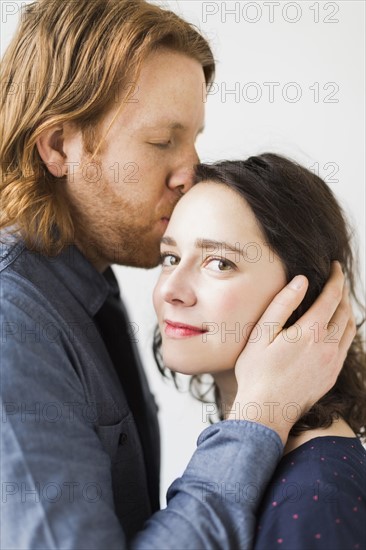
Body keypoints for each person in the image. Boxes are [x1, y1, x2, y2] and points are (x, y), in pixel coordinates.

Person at [0, 1, 355, 548]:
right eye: (163, 142)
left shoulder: (90, 289)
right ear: (56, 147)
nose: (190, 174)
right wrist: (259, 417)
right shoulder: (13, 321)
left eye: (193, 139)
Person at [153, 153, 366, 549]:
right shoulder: (280, 470)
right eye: (171, 258)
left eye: (219, 263)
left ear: (307, 296)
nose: (170, 290)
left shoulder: (318, 492)